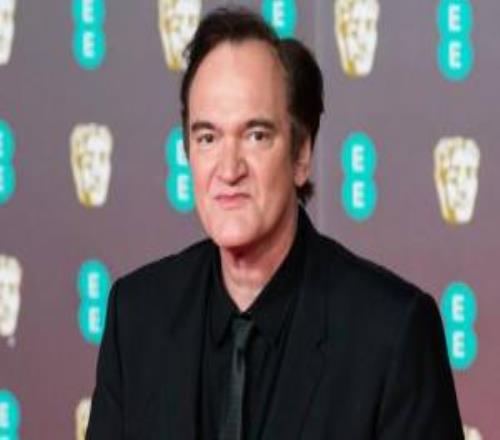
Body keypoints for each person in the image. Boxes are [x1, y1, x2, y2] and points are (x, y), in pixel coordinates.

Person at [86, 6, 464, 439]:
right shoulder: (136, 317)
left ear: (301, 154)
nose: (229, 169)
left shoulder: (392, 333)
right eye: (207, 137)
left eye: (256, 135)